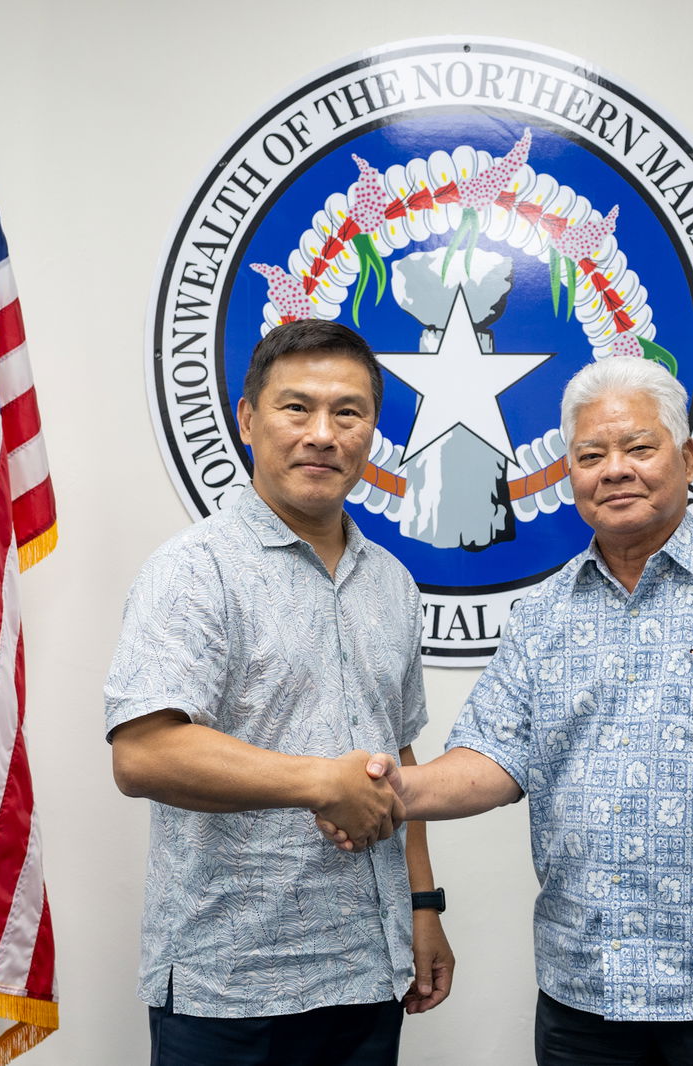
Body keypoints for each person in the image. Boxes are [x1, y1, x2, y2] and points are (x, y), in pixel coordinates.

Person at [320, 356, 693, 1065]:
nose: (613, 469)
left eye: (638, 447)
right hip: (584, 1002)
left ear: (686, 459)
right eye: (591, 455)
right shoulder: (542, 614)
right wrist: (386, 789)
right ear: (570, 475)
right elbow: (492, 761)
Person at [105, 320, 453, 1066]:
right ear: (248, 420)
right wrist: (320, 783)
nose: (323, 433)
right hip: (230, 985)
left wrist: (424, 907)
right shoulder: (194, 570)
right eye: (297, 408)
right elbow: (142, 753)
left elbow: (399, 755)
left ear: (372, 431)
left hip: (367, 970)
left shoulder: (391, 581)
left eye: (348, 412)